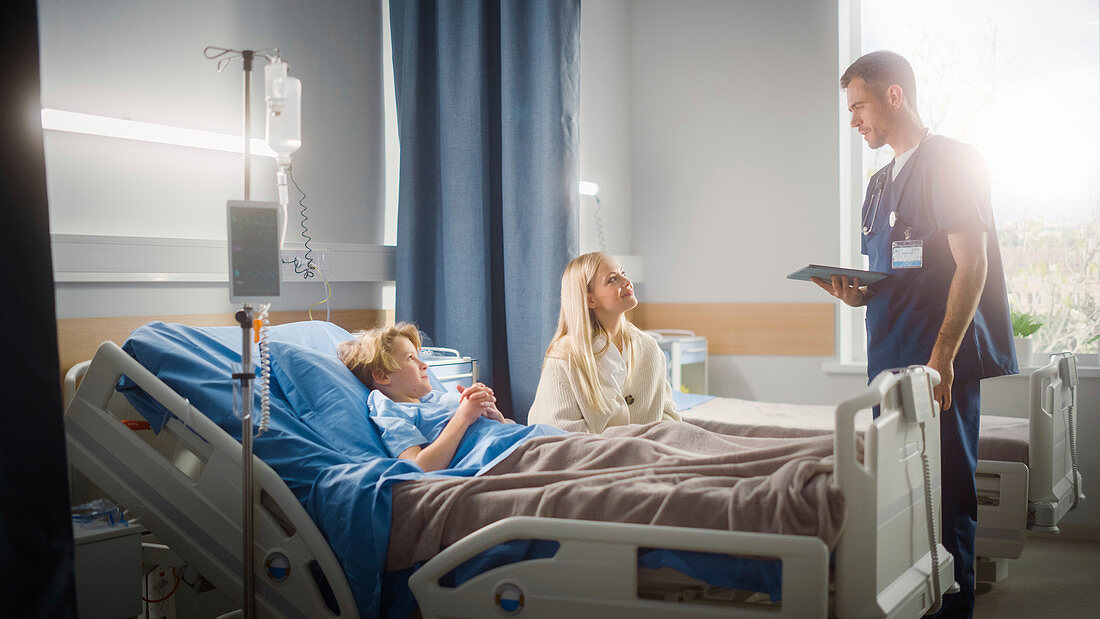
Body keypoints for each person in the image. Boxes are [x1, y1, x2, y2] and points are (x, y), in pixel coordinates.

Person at [815, 51, 1017, 618]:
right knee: (900, 491)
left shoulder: (954, 161)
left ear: (894, 96)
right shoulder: (880, 184)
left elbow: (970, 263)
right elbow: (894, 272)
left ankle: (956, 608)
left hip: (935, 357)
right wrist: (856, 293)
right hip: (889, 353)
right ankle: (914, 600)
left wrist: (943, 358)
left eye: (858, 105)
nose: (853, 119)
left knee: (946, 489)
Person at [338, 322, 546, 472]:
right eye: (411, 358)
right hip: (500, 458)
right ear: (382, 376)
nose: (424, 364)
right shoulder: (390, 411)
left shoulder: (436, 399)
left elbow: (504, 429)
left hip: (524, 441)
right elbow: (420, 466)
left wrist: (494, 416)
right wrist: (463, 417)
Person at [528, 251, 681, 433]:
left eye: (623, 273)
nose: (626, 282)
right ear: (590, 300)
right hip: (595, 459)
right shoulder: (565, 356)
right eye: (612, 280)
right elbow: (559, 435)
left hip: (652, 456)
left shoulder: (649, 348)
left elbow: (669, 419)